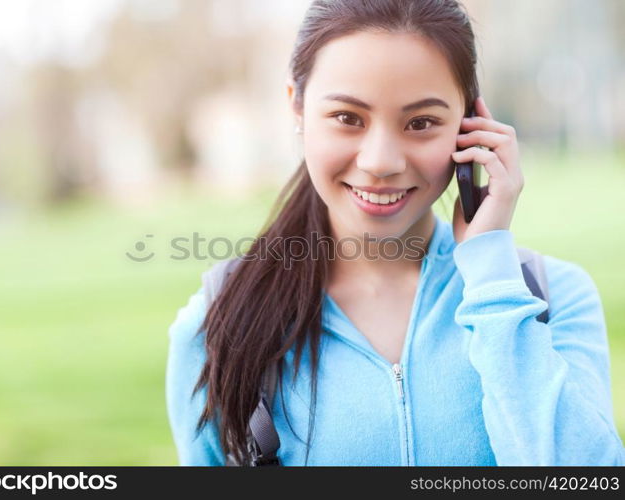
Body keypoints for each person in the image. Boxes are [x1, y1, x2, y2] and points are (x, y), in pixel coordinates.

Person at [165, 0, 625, 466]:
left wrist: (491, 279)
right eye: (348, 118)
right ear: (297, 108)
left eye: (421, 123)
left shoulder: (552, 299)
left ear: (470, 126)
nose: (381, 161)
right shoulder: (219, 324)